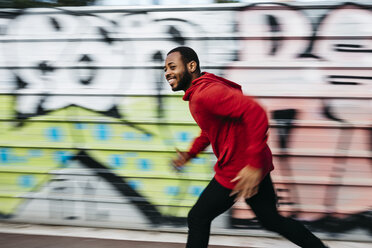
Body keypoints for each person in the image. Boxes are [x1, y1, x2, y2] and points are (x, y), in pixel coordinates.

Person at [163, 46, 329, 248]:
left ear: (191, 66)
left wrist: (251, 164)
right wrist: (189, 155)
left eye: (172, 67)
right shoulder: (202, 91)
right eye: (165, 69)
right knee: (271, 220)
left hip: (238, 170)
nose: (167, 73)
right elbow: (210, 129)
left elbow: (256, 112)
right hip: (253, 166)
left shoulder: (206, 94)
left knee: (198, 218)